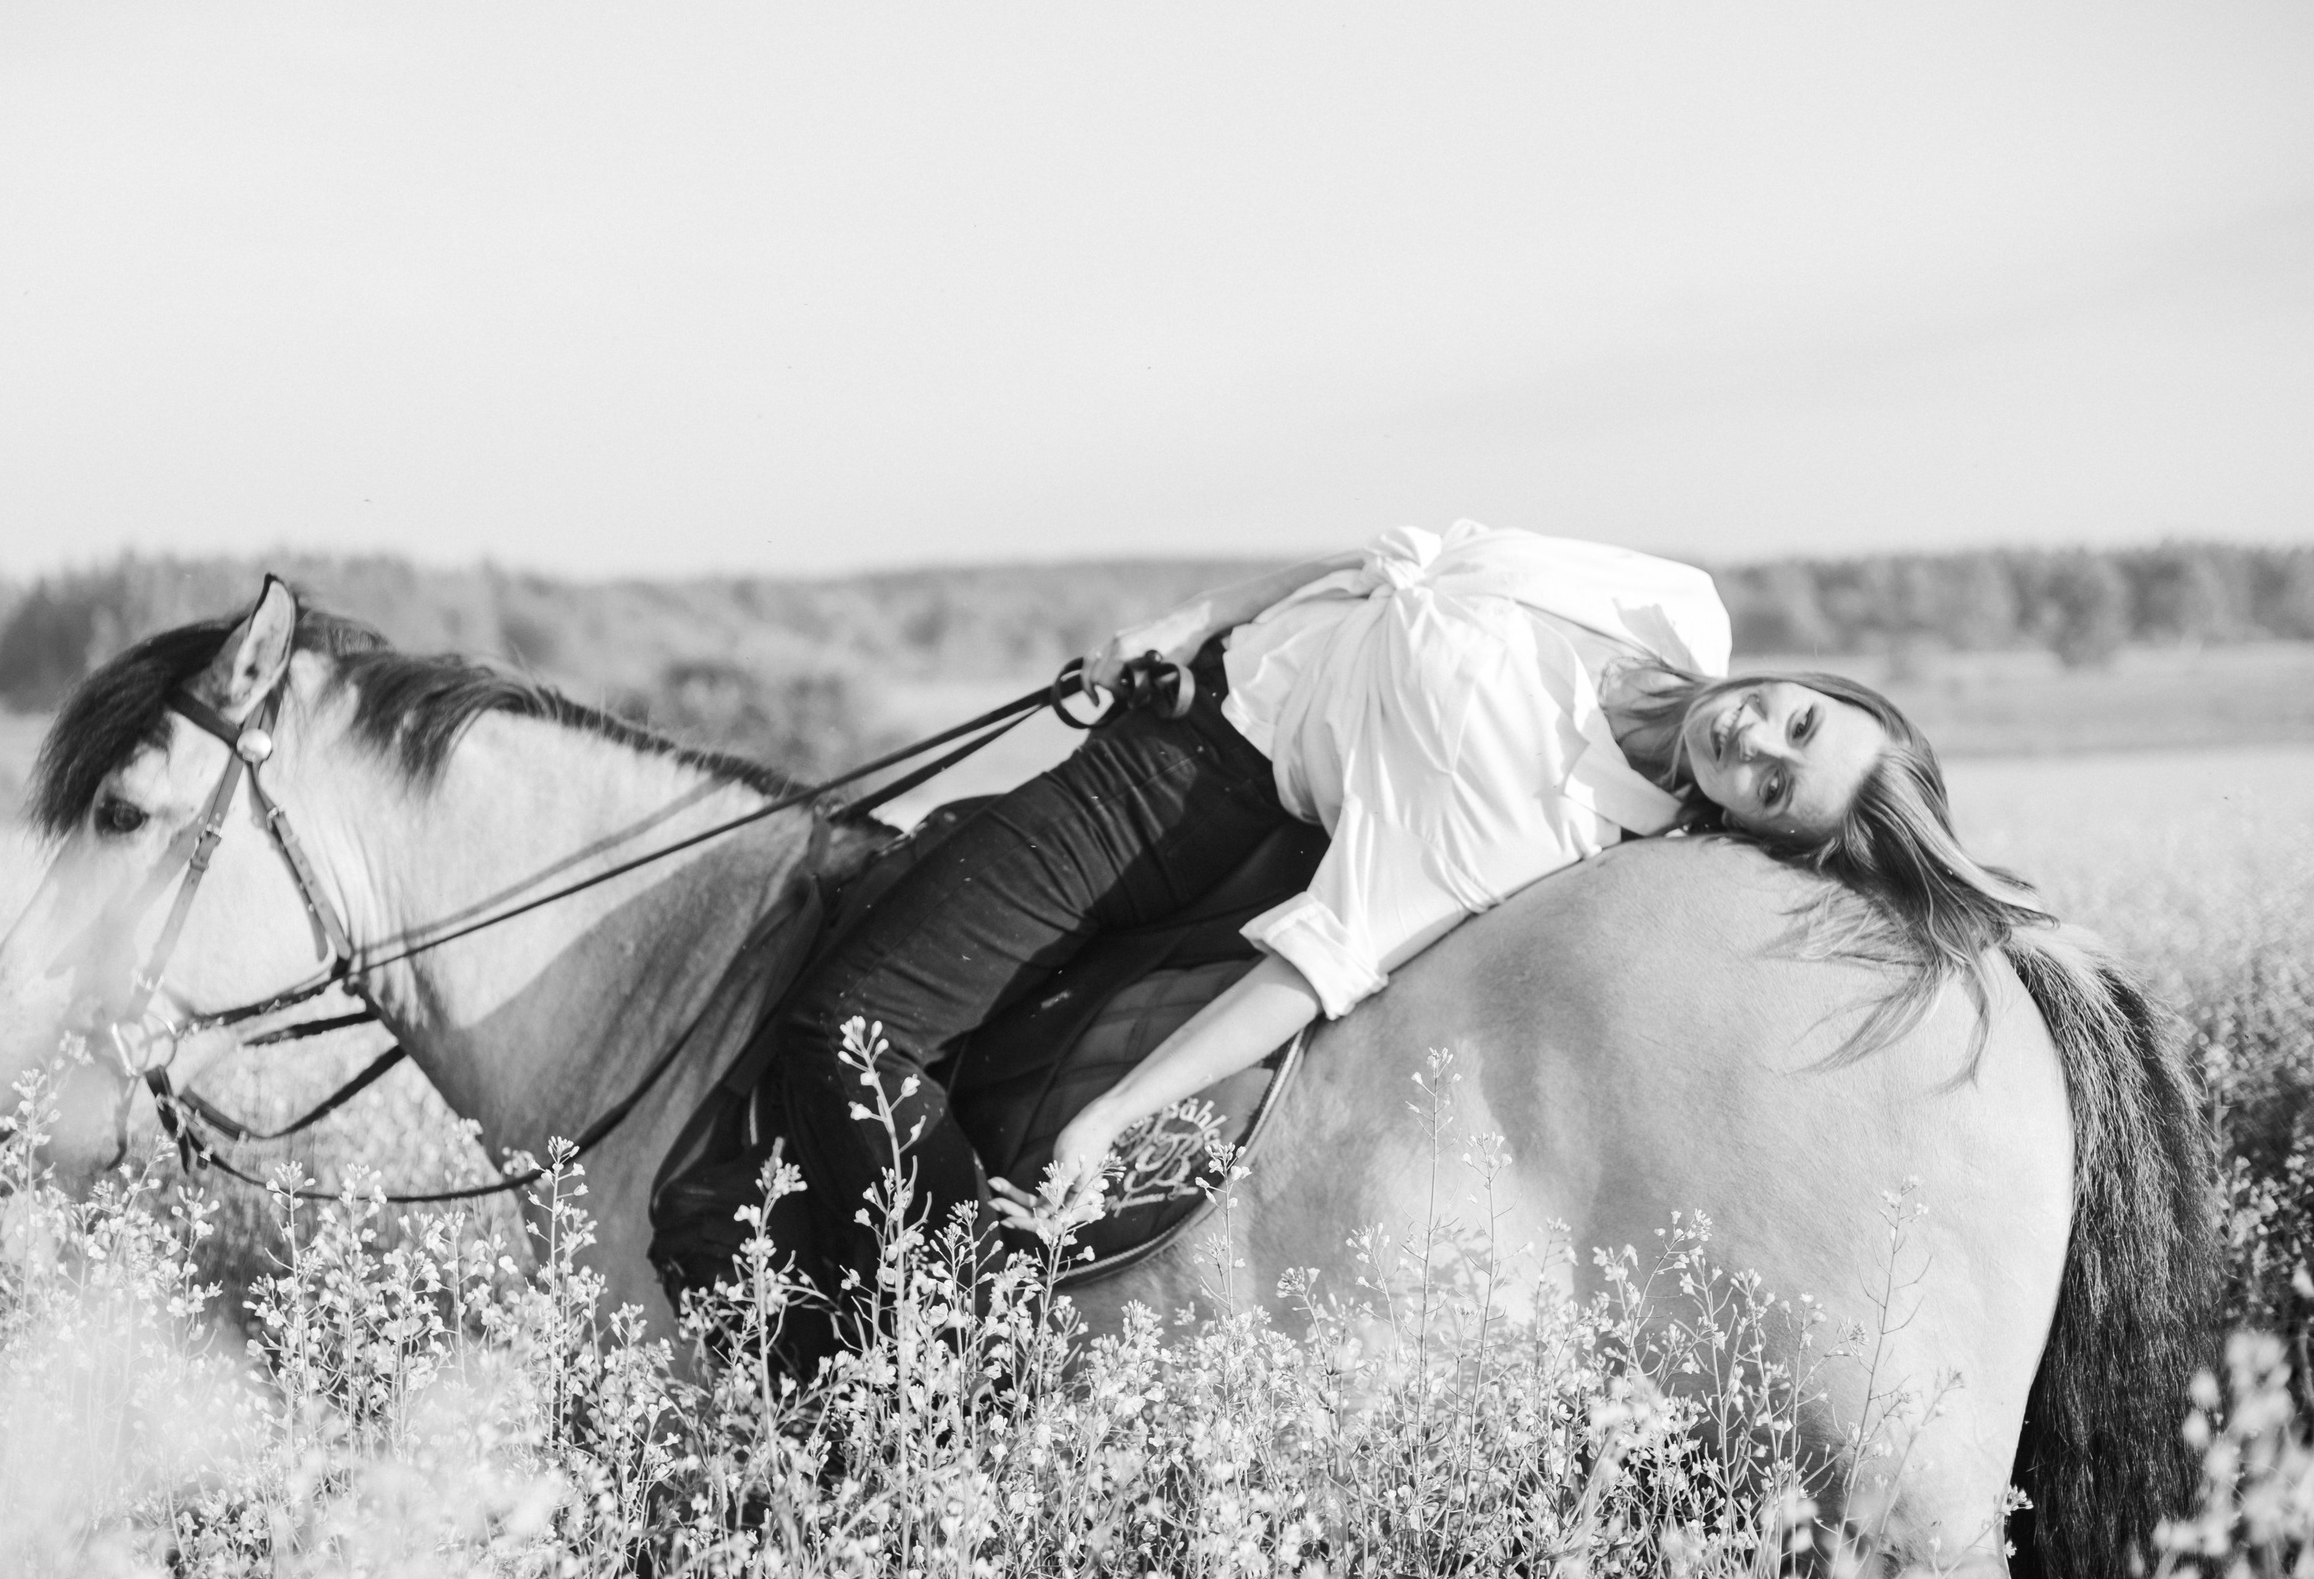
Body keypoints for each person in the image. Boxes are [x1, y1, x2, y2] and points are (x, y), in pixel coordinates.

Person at [765, 518, 2041, 1280]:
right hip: (1194, 678)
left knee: (848, 1030)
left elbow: (1322, 962)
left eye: (1774, 787)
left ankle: (937, 1347)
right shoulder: (1670, 604)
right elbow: (1405, 552)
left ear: (1745, 825)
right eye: (1798, 721)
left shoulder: (1550, 824)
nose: (1755, 742)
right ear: (1813, 678)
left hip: (1182, 786)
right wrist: (1190, 616)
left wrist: (1109, 1121)